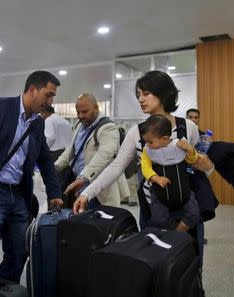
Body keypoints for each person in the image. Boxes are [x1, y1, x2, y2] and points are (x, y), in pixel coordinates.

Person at [70, 70, 215, 264]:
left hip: (186, 208)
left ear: (163, 93)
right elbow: (116, 167)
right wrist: (87, 193)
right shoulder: (135, 133)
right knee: (154, 266)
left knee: (189, 267)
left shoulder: (188, 127)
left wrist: (207, 165)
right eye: (138, 94)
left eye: (146, 93)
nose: (141, 99)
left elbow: (202, 167)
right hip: (154, 210)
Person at [0, 70, 63, 283]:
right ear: (32, 90)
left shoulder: (37, 123)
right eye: (48, 94)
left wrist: (54, 192)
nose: (50, 101)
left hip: (19, 197)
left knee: (19, 254)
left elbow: (45, 161)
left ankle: (2, 290)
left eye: (53, 96)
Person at [55, 93, 129, 208]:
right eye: (78, 112)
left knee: (98, 223)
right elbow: (70, 150)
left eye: (85, 112)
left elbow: (104, 155)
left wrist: (83, 177)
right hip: (79, 186)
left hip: (100, 191)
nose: (80, 116)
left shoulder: (108, 127)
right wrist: (55, 167)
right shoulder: (79, 125)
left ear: (96, 108)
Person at [140, 114, 200, 232]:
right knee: (158, 219)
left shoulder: (180, 145)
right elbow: (145, 168)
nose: (147, 144)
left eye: (150, 142)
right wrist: (156, 178)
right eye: (145, 141)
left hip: (184, 190)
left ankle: (178, 232)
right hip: (159, 192)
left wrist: (190, 149)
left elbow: (192, 160)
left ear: (165, 139)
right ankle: (173, 235)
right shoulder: (147, 151)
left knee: (194, 213)